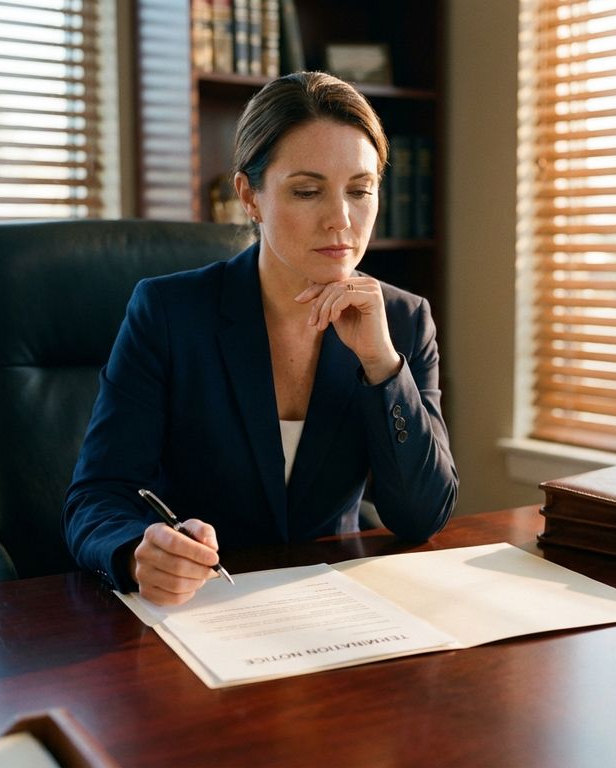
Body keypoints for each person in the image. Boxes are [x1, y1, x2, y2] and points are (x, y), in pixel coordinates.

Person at [63, 71, 458, 605]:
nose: (340, 219)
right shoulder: (169, 313)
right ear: (250, 196)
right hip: (198, 608)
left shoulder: (404, 321)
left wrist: (382, 365)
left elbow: (422, 518)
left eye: (360, 191)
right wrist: (138, 551)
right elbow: (96, 496)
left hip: (332, 609)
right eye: (307, 191)